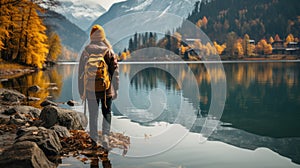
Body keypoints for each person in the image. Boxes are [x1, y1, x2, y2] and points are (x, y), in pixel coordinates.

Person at [78, 24, 119, 149]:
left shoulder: (86, 52)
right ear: (102, 36)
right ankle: (105, 137)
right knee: (107, 113)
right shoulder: (108, 51)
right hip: (107, 90)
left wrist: (82, 91)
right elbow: (115, 73)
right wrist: (115, 89)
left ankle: (94, 139)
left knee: (93, 114)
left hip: (90, 90)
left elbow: (80, 73)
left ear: (91, 36)